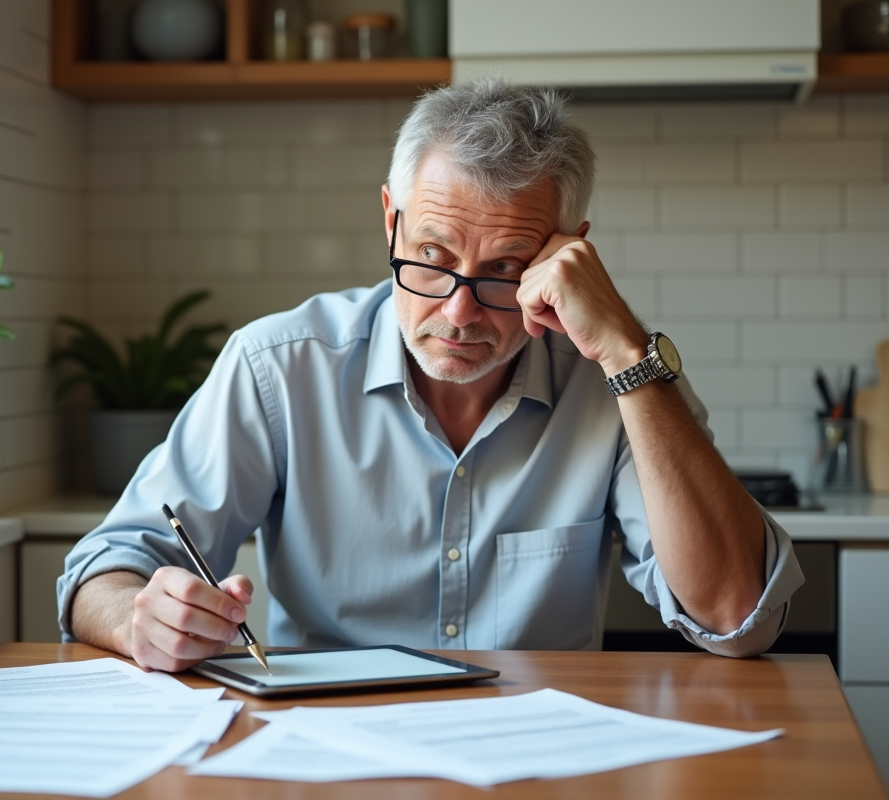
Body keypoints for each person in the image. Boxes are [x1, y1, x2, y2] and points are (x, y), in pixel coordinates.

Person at [57, 78, 804, 672]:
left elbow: (736, 617)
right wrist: (139, 618)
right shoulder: (279, 368)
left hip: (540, 765)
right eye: (433, 260)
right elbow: (103, 568)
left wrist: (626, 354)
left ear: (569, 254)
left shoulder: (616, 381)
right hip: (323, 756)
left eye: (505, 270)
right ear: (391, 224)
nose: (458, 313)